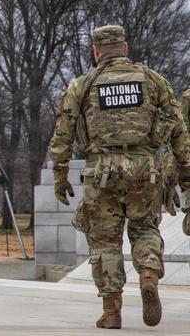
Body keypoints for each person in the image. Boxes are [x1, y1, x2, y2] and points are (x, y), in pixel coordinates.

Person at [50, 25, 190, 329]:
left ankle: (112, 310)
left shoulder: (83, 85)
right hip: (146, 170)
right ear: (125, 48)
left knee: (104, 241)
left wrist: (60, 177)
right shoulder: (154, 81)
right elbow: (180, 134)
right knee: (144, 228)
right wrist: (186, 178)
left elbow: (62, 136)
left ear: (96, 51)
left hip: (101, 173)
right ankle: (149, 273)